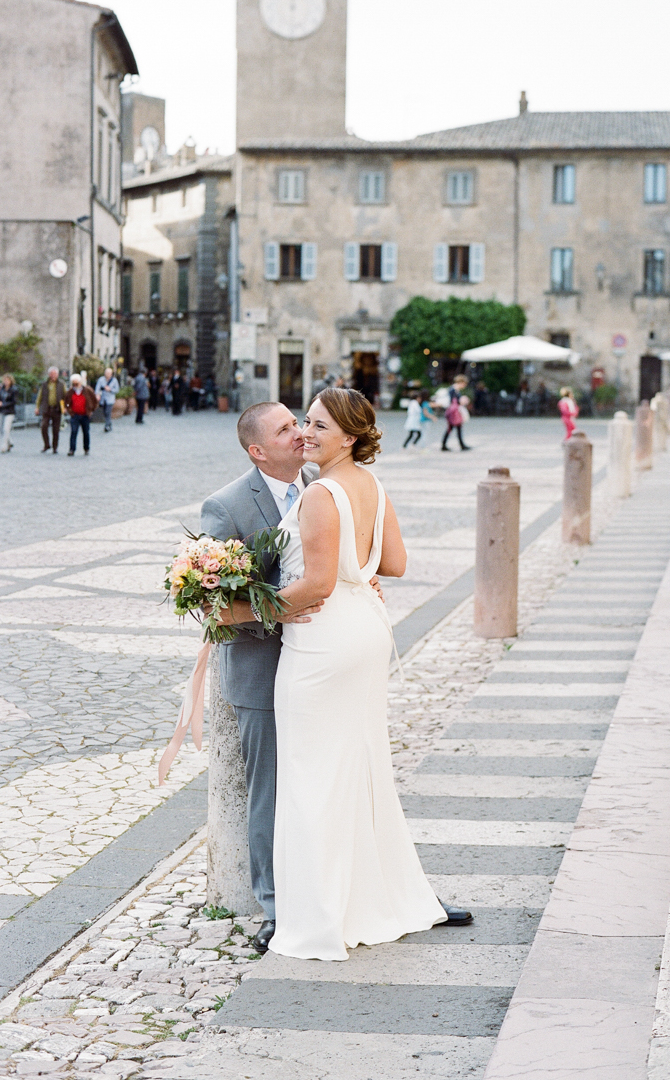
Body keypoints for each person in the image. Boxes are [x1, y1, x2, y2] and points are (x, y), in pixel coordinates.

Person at [267, 388, 470, 960]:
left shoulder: (320, 494)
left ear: (350, 437)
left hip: (323, 640)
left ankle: (321, 915)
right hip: (366, 631)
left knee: (312, 778)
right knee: (358, 768)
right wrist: (361, 569)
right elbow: (396, 563)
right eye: (304, 423)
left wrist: (256, 608)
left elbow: (317, 585)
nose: (307, 433)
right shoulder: (372, 487)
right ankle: (372, 896)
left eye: (319, 427)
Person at [200, 403, 323, 955]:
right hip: (261, 669)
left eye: (298, 422)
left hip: (321, 662)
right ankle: (275, 906)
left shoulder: (321, 484)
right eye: (284, 429)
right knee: (269, 792)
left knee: (330, 778)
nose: (299, 433)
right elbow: (214, 607)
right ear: (257, 450)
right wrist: (277, 610)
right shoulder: (226, 507)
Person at [65, 373, 97, 455]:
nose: (75, 385)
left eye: (77, 383)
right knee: (73, 432)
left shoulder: (87, 390)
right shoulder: (70, 392)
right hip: (75, 415)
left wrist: (91, 409)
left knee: (86, 432)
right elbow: (67, 402)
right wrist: (69, 409)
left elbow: (94, 400)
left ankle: (86, 448)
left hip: (85, 415)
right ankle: (72, 449)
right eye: (73, 384)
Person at [35, 367, 65, 453]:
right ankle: (46, 444)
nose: (53, 376)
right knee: (44, 426)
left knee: (56, 429)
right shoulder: (45, 384)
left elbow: (65, 396)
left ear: (57, 375)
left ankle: (55, 447)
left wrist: (65, 407)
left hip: (57, 409)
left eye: (55, 374)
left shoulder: (61, 384)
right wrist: (37, 407)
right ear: (49, 374)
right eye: (51, 374)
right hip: (46, 409)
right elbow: (39, 396)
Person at [441, 376, 471, 451]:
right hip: (453, 412)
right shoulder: (453, 390)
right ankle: (445, 445)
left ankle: (447, 444)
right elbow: (453, 402)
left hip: (454, 412)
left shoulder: (454, 390)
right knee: (452, 428)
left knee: (455, 428)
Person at [0, 374, 18, 453]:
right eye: (5, 380)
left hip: (9, 411)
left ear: (11, 381)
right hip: (0, 411)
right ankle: (9, 442)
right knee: (1, 429)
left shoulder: (14, 389)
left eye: (7, 380)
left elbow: (14, 401)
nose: (6, 382)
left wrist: (3, 404)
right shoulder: (0, 389)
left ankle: (4, 445)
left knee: (6, 428)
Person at [95, 368, 119, 433]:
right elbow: (97, 388)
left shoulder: (114, 380)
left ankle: (107, 426)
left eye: (108, 373)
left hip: (110, 399)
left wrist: (110, 389)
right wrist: (97, 395)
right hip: (103, 399)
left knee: (108, 412)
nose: (107, 374)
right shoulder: (101, 380)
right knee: (105, 412)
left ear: (111, 374)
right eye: (106, 373)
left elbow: (117, 390)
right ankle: (109, 423)